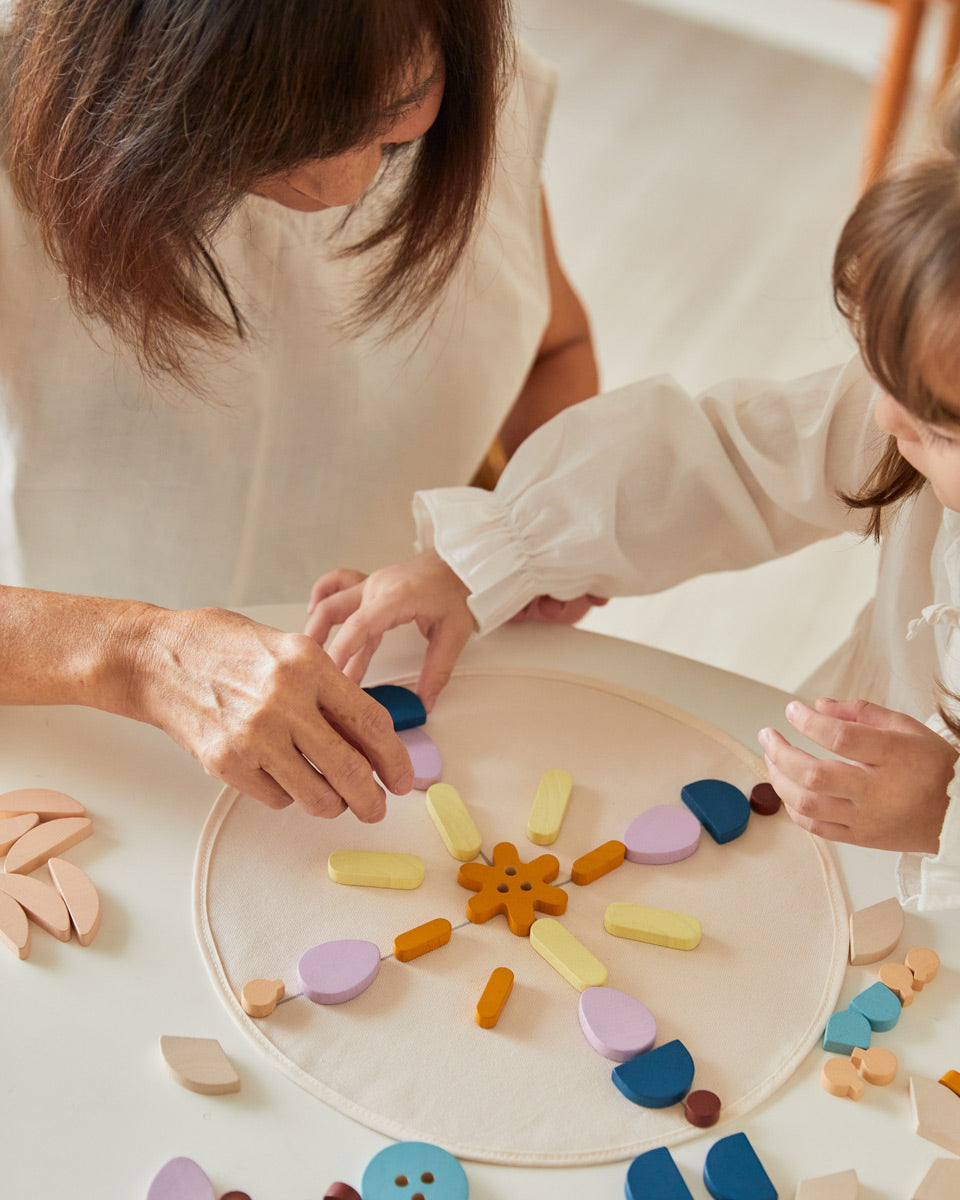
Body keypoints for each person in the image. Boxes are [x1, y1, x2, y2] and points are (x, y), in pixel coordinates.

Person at [305, 102, 960, 909]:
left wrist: (945, 810)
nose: (887, 420)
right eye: (881, 381)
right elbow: (724, 461)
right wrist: (496, 553)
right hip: (847, 825)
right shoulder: (914, 398)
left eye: (935, 427)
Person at [0, 1, 598, 820]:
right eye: (270, 135)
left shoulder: (467, 79)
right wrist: (139, 655)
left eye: (394, 121)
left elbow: (553, 353)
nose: (342, 182)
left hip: (420, 702)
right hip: (96, 730)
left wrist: (522, 536)